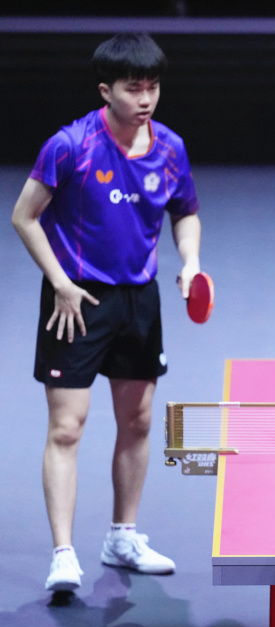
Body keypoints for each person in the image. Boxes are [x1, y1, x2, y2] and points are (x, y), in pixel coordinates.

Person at [11, 32, 201, 592]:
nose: (145, 99)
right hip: (75, 299)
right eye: (133, 88)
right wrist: (60, 282)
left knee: (138, 423)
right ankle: (63, 554)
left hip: (139, 300)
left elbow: (185, 212)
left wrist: (190, 261)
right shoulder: (70, 145)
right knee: (67, 428)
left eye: (153, 87)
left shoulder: (170, 148)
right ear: (105, 90)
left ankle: (123, 537)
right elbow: (24, 216)